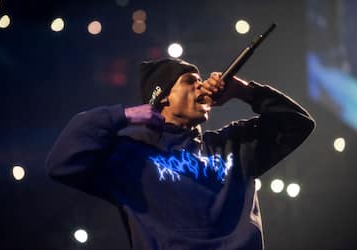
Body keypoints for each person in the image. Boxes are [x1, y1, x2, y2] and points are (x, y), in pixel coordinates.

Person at [46, 58, 315, 250]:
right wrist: (121, 115)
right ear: (163, 97)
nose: (203, 87)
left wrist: (243, 91)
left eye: (201, 82)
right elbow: (61, 162)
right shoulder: (132, 158)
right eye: (190, 82)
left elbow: (298, 124)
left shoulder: (234, 145)